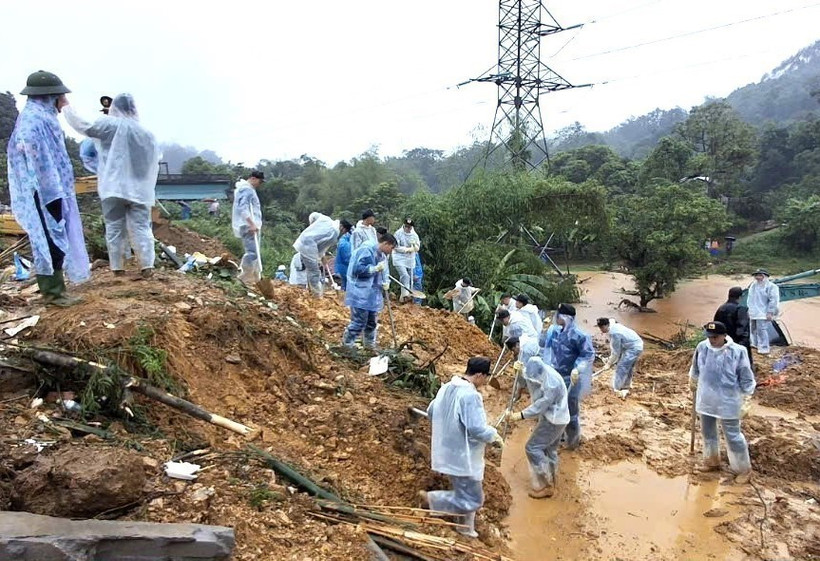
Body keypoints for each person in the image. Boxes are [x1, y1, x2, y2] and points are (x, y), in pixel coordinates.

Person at [7, 71, 90, 305]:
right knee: (49, 238)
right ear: (49, 96)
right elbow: (28, 151)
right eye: (60, 97)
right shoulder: (33, 119)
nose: (63, 102)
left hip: (53, 188)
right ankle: (53, 293)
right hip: (43, 191)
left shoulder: (43, 117)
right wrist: (44, 180)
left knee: (57, 235)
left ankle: (57, 289)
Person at [63, 93, 160, 279]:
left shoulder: (108, 125)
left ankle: (118, 269)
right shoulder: (147, 134)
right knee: (142, 227)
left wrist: (66, 107)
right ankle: (147, 266)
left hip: (113, 187)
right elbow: (154, 161)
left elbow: (84, 126)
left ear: (114, 107)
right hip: (140, 190)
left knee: (114, 227)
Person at [420, 357, 504, 538]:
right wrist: (493, 435)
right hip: (464, 456)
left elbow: (431, 411)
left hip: (447, 451)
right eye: (485, 377)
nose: (485, 382)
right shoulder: (470, 396)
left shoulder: (447, 387)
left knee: (463, 492)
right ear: (480, 375)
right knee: (473, 499)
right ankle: (433, 501)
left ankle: (465, 528)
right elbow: (476, 428)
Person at [689, 321, 755, 483]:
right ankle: (711, 461)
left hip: (729, 400)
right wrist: (693, 380)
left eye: (715, 337)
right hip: (706, 398)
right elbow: (695, 368)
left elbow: (746, 377)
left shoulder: (738, 352)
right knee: (708, 432)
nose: (712, 340)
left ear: (724, 336)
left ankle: (743, 469)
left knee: (733, 435)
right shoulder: (702, 347)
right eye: (709, 337)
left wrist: (746, 398)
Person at [502, 356, 569, 498]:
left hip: (554, 419)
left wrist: (519, 415)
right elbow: (528, 381)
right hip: (554, 416)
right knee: (549, 449)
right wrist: (520, 373)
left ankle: (546, 485)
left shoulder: (552, 384)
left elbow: (540, 405)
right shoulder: (538, 370)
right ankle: (553, 479)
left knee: (532, 447)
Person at [546, 303, 595, 449]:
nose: (556, 318)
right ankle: (558, 436)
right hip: (556, 375)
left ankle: (573, 442)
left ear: (566, 317)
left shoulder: (580, 335)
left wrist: (578, 369)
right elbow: (546, 348)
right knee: (555, 407)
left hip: (571, 377)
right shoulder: (555, 331)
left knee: (570, 409)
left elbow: (588, 355)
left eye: (559, 316)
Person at [342, 234, 397, 349]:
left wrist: (386, 282)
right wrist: (373, 269)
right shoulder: (367, 250)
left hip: (373, 294)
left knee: (372, 322)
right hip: (360, 292)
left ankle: (369, 345)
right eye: (391, 248)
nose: (391, 251)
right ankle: (347, 344)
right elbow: (357, 269)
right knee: (359, 321)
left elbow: (384, 272)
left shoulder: (382, 256)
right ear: (386, 243)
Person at [293, 213, 343, 297]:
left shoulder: (325, 224)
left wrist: (322, 256)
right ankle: (316, 295)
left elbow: (321, 244)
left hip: (308, 248)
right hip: (308, 249)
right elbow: (320, 246)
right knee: (314, 272)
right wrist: (320, 256)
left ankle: (314, 292)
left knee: (313, 272)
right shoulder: (330, 230)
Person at [229, 171, 264, 285]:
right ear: (253, 178)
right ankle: (244, 277)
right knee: (252, 253)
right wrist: (251, 223)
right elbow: (243, 208)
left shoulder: (246, 189)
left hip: (249, 225)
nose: (260, 184)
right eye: (260, 181)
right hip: (247, 225)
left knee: (255, 252)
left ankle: (256, 278)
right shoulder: (246, 189)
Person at [596, 318, 644, 398]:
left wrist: (608, 364)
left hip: (633, 348)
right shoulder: (612, 323)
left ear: (607, 325)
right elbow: (618, 351)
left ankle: (616, 389)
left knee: (621, 367)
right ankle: (626, 386)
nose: (601, 330)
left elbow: (615, 352)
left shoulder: (615, 333)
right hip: (632, 344)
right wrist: (614, 360)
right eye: (600, 328)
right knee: (628, 367)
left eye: (602, 328)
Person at [714, 287, 753, 371]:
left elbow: (716, 326)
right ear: (740, 297)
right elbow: (742, 328)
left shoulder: (721, 308)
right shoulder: (740, 309)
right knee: (742, 366)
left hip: (723, 342)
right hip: (737, 342)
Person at [746, 269, 780, 355]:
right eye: (756, 275)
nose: (758, 277)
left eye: (760, 275)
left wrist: (770, 312)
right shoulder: (753, 286)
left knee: (761, 330)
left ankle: (764, 348)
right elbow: (750, 299)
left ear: (765, 276)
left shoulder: (771, 287)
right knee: (752, 329)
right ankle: (754, 344)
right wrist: (749, 310)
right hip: (753, 311)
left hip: (763, 312)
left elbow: (773, 300)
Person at [392, 218, 421, 303]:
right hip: (399, 258)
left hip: (410, 258)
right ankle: (405, 294)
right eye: (407, 226)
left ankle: (406, 297)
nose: (408, 229)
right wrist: (407, 249)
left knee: (411, 278)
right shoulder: (398, 233)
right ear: (404, 226)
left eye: (410, 227)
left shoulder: (414, 235)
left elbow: (417, 247)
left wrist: (414, 247)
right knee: (405, 276)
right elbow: (395, 247)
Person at [334, 220, 353, 290]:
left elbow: (347, 257)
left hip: (343, 268)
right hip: (345, 268)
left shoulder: (344, 241)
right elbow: (347, 257)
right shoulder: (346, 241)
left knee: (345, 288)